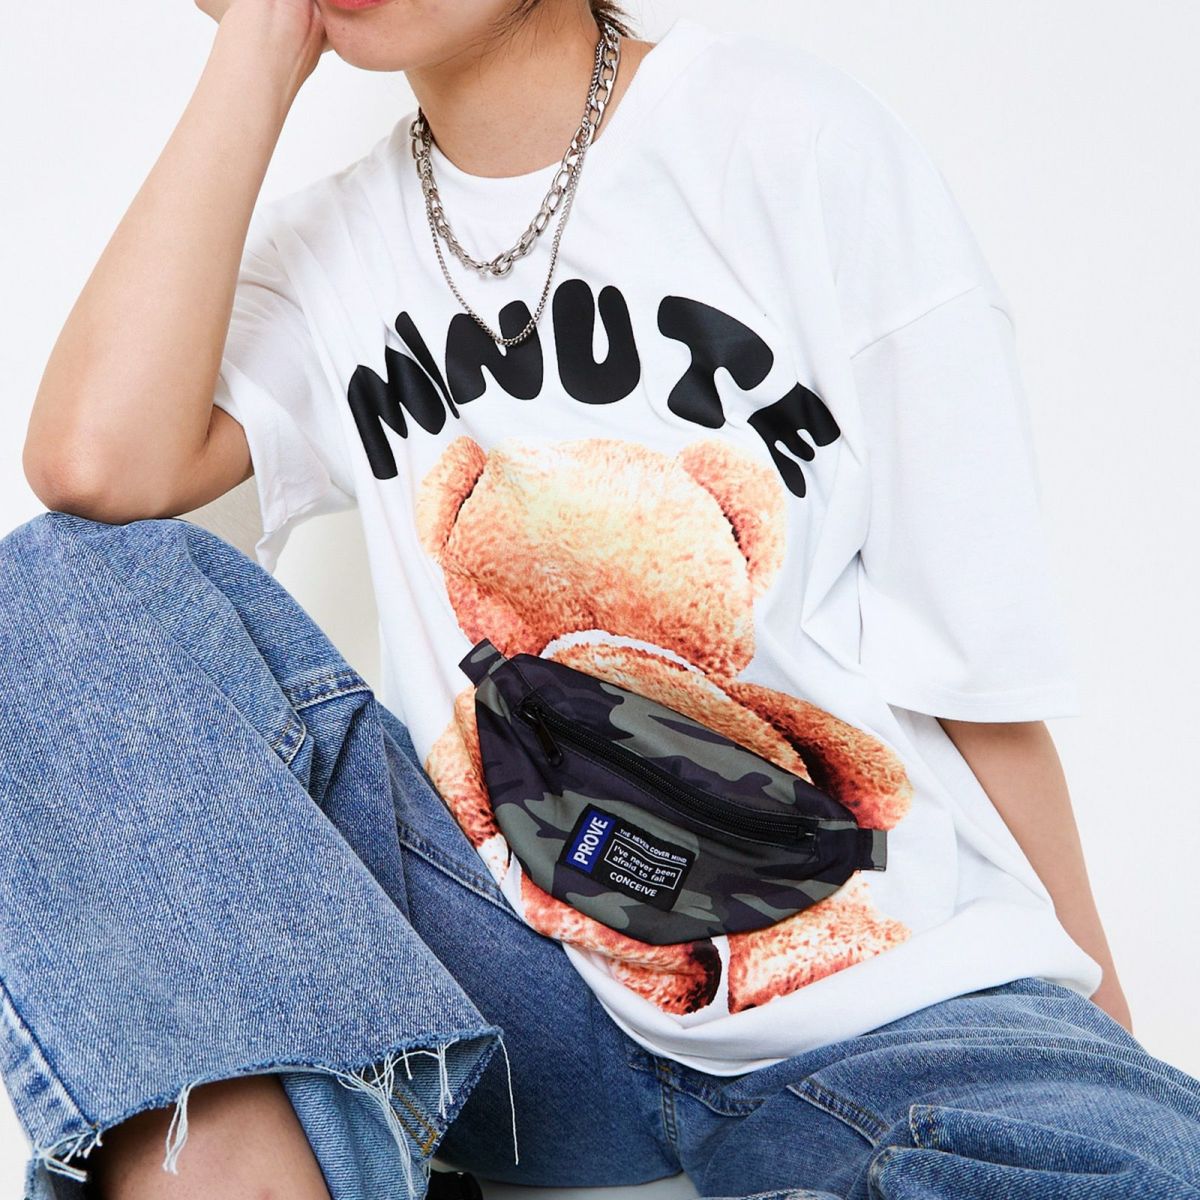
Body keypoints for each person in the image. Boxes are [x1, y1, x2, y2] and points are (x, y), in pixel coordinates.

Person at [8, 1, 1200, 1198]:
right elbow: (94, 465)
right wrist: (260, 47)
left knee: (1124, 1163)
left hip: (870, 996)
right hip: (518, 985)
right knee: (65, 591)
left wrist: (1100, 1040)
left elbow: (972, 670)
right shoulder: (334, 248)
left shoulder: (787, 142)